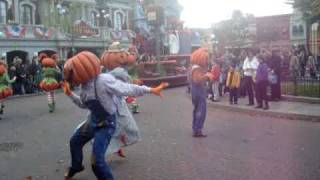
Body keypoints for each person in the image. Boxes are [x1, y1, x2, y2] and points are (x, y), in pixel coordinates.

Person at [62, 51, 168, 180]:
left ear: (82, 70)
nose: (69, 79)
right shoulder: (83, 87)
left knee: (97, 162)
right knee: (75, 141)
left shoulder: (103, 80)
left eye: (71, 75)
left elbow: (126, 88)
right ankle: (76, 166)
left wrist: (150, 90)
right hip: (93, 120)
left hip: (106, 125)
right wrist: (70, 94)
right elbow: (84, 105)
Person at [100, 42, 143, 158]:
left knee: (123, 126)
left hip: (119, 103)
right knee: (117, 128)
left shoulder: (116, 70)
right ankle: (104, 154)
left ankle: (116, 147)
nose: (124, 57)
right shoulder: (117, 72)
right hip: (113, 105)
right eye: (122, 55)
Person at [190, 48, 213, 137]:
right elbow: (197, 80)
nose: (207, 61)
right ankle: (197, 130)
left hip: (196, 91)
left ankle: (195, 128)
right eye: (206, 59)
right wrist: (207, 76)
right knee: (201, 110)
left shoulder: (195, 67)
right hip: (198, 91)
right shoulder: (197, 68)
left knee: (197, 110)